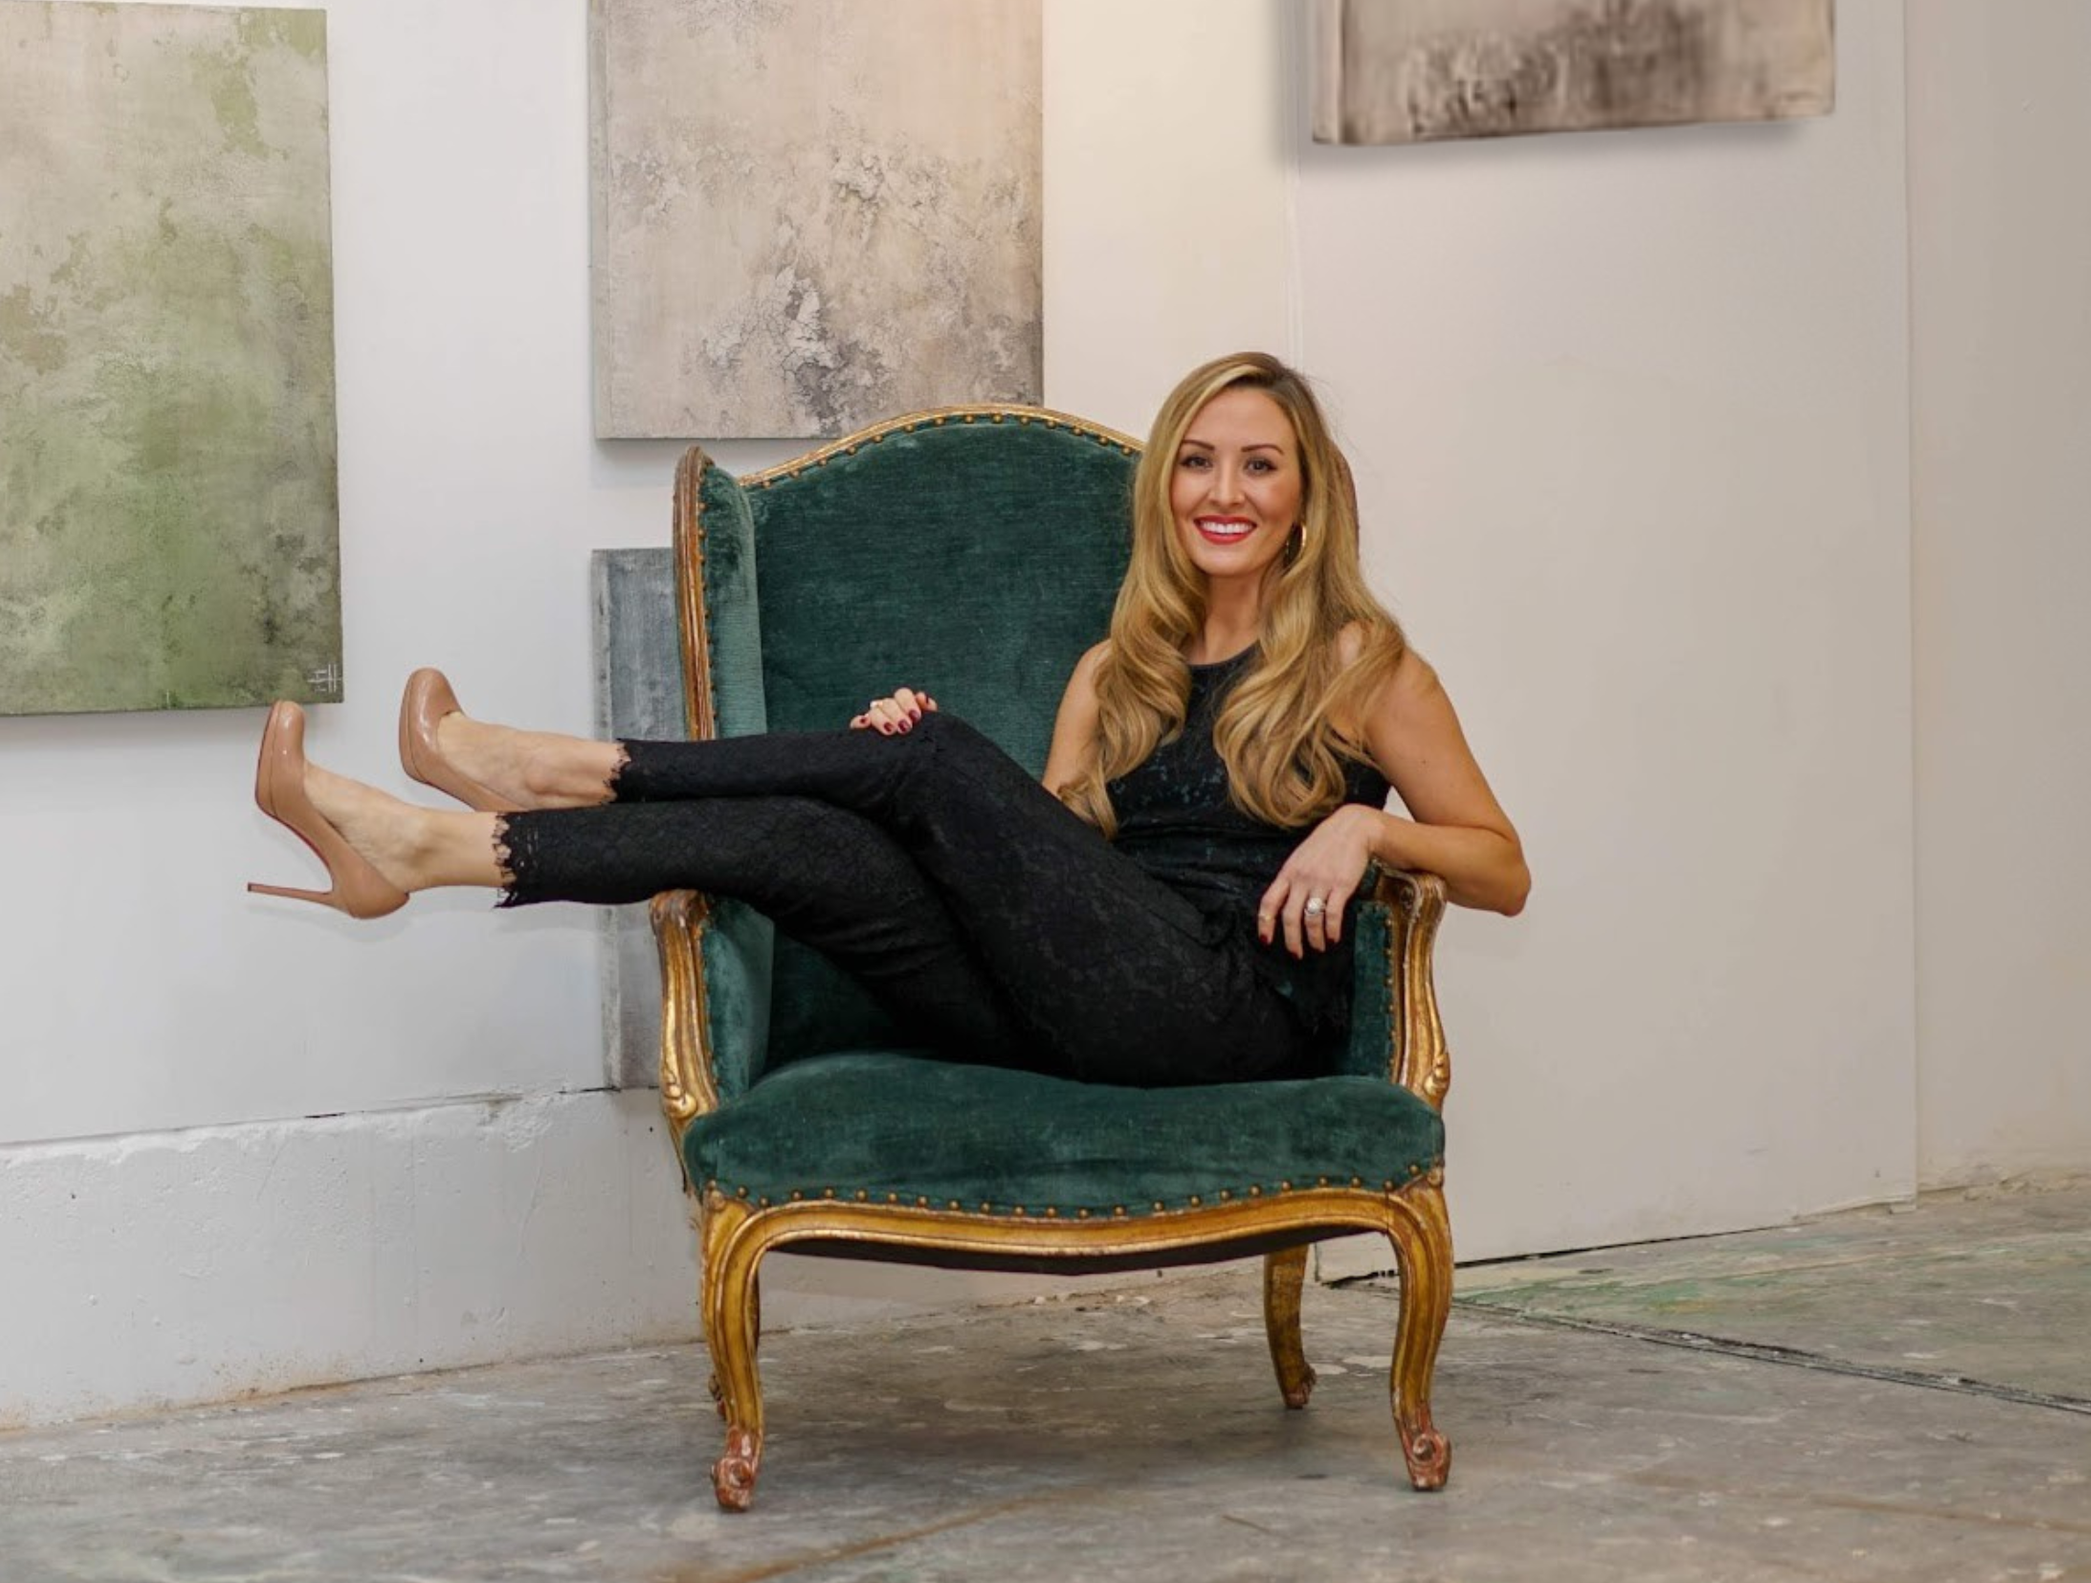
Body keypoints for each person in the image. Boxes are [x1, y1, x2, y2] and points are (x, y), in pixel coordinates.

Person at [244, 352, 1528, 1090]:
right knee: (807, 842)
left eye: (1260, 464)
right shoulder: (1115, 668)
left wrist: (1368, 827)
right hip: (1079, 996)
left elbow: (1504, 867)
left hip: (1233, 1013)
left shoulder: (1362, 663)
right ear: (1165, 488)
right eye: (1197, 459)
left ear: (1305, 498)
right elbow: (1060, 854)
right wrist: (923, 781)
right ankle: (422, 854)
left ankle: (557, 763)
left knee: (915, 759)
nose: (1224, 490)